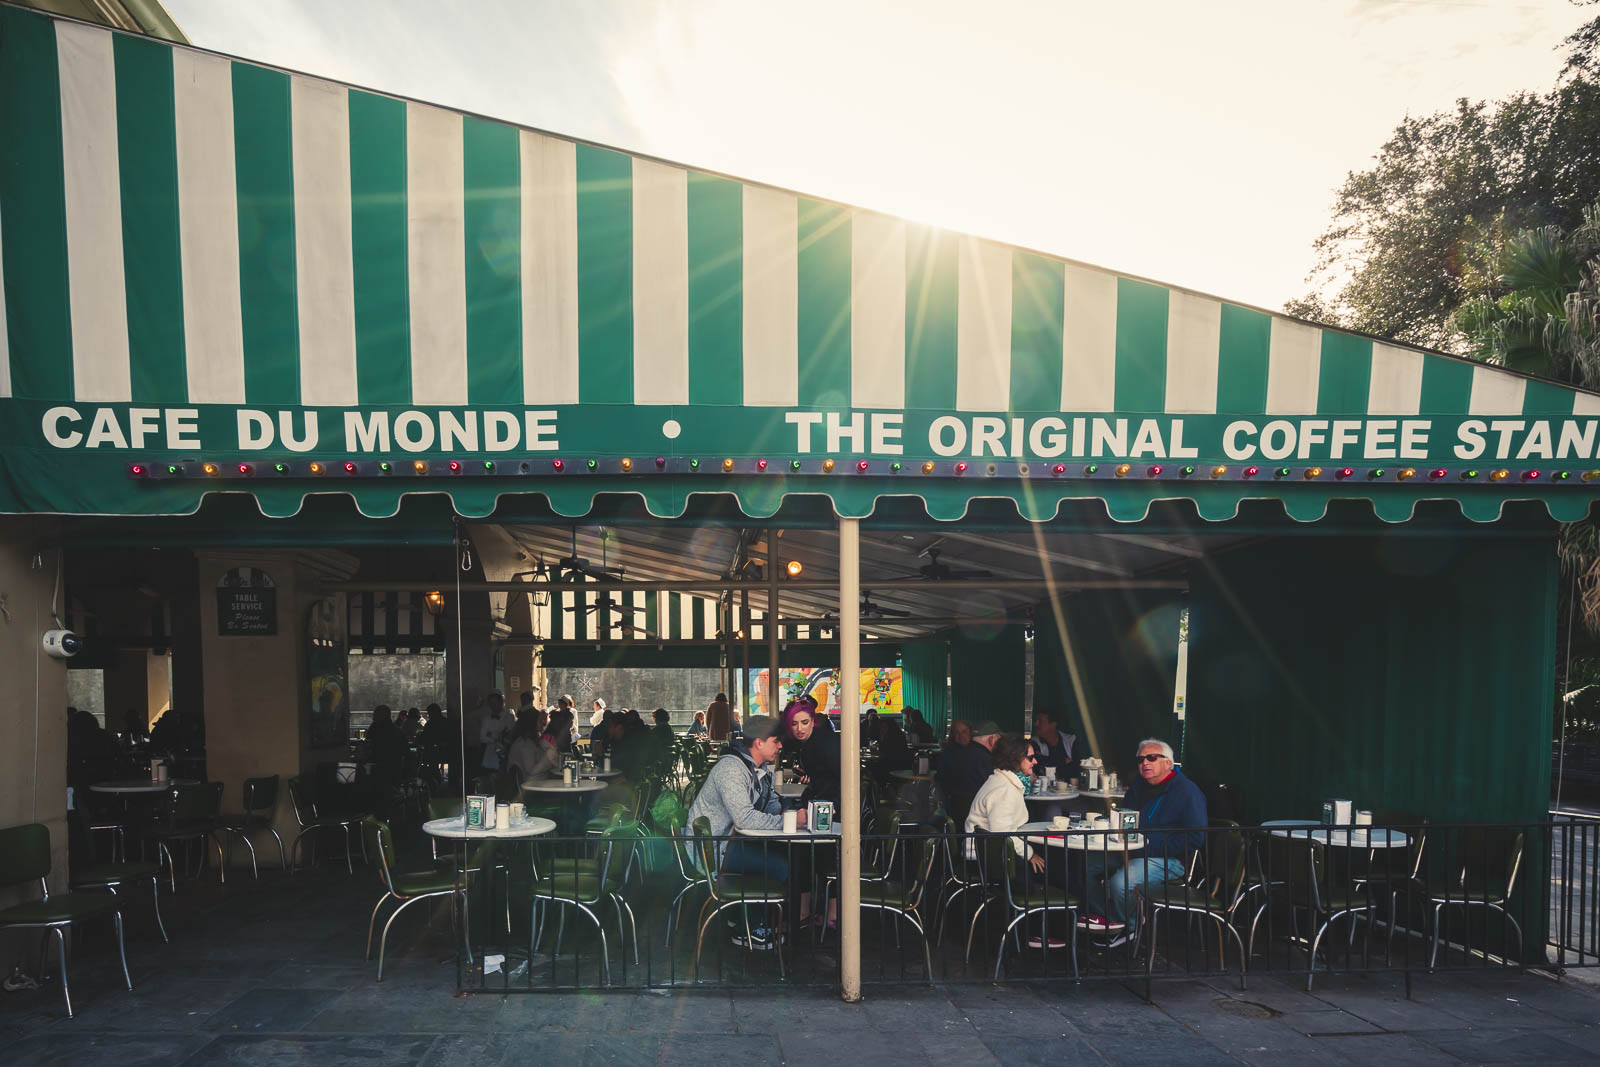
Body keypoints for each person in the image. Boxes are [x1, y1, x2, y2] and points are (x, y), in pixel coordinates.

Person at [685, 714, 806, 947]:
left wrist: (784, 815)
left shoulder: (760, 769)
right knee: (780, 865)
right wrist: (790, 821)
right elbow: (745, 819)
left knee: (776, 855)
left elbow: (770, 804)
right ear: (759, 743)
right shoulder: (731, 769)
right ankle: (748, 928)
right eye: (775, 740)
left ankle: (743, 917)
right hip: (712, 851)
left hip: (731, 842)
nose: (780, 745)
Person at [1080, 738, 1206, 949]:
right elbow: (1127, 821)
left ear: (1168, 763)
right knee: (1086, 865)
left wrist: (1147, 846)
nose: (1145, 763)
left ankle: (1131, 927)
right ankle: (1113, 921)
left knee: (1121, 882)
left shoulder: (1187, 791)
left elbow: (1195, 838)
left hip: (1169, 859)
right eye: (1141, 759)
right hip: (1130, 850)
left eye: (1152, 757)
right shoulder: (1138, 787)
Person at [964, 733, 1069, 948]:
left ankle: (1039, 927)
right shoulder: (1004, 790)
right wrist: (1031, 854)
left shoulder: (1000, 781)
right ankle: (1035, 931)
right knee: (1055, 869)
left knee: (1051, 865)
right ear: (1015, 759)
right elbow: (1004, 834)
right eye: (1030, 758)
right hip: (989, 859)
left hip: (988, 853)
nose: (1035, 761)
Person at [1029, 709, 1079, 782]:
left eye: (1040, 721)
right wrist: (1063, 761)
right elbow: (1037, 761)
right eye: (1036, 721)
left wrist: (1049, 760)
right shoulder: (1033, 743)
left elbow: (1078, 764)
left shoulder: (1070, 740)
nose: (1036, 724)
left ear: (1053, 724)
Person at [506, 707, 557, 780]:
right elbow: (531, 770)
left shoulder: (531, 740)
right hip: (530, 786)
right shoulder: (524, 743)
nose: (543, 722)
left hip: (535, 782)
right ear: (531, 723)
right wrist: (549, 758)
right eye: (540, 720)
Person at [477, 692, 513, 772]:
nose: (494, 705)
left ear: (501, 702)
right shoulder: (486, 719)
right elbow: (482, 737)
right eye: (491, 703)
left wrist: (491, 735)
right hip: (490, 753)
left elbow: (509, 733)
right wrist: (495, 739)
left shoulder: (509, 717)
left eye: (496, 702)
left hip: (507, 752)